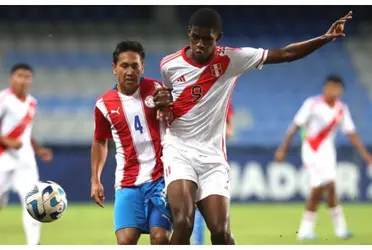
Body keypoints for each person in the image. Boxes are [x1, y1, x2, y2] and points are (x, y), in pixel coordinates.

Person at [155, 8, 353, 245]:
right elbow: (165, 102)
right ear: (189, 34)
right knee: (184, 223)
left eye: (206, 39)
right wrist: (161, 105)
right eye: (195, 37)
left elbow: (285, 54)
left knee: (220, 231)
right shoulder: (169, 65)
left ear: (217, 37)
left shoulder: (232, 59)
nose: (199, 44)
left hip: (212, 158)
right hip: (179, 152)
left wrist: (324, 38)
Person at [90, 41, 173, 245]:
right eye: (124, 65)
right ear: (114, 68)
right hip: (127, 181)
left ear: (142, 68)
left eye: (135, 66)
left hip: (160, 177)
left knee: (160, 238)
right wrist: (95, 179)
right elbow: (100, 141)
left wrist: (169, 107)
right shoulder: (104, 104)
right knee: (125, 241)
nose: (130, 71)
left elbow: (174, 120)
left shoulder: (156, 89)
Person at [275, 75, 372, 240]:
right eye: (329, 87)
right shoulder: (312, 104)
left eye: (335, 87)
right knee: (319, 186)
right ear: (325, 88)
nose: (331, 90)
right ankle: (306, 230)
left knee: (331, 187)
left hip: (328, 152)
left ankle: (340, 230)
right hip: (312, 149)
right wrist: (283, 148)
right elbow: (296, 125)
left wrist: (365, 155)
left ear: (340, 90)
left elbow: (351, 133)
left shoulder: (342, 109)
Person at [0, 63, 53, 245]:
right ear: (11, 78)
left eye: (27, 77)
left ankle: (33, 245)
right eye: (19, 76)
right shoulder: (3, 99)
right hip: (3, 159)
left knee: (34, 203)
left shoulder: (32, 102)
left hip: (26, 161)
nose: (23, 80)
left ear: (30, 81)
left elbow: (26, 133)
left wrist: (39, 149)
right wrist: (8, 141)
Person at [192, 100, 234, 245]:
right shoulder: (182, 91)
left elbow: (229, 130)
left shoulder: (221, 97)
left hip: (211, 159)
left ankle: (200, 243)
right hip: (184, 157)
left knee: (203, 211)